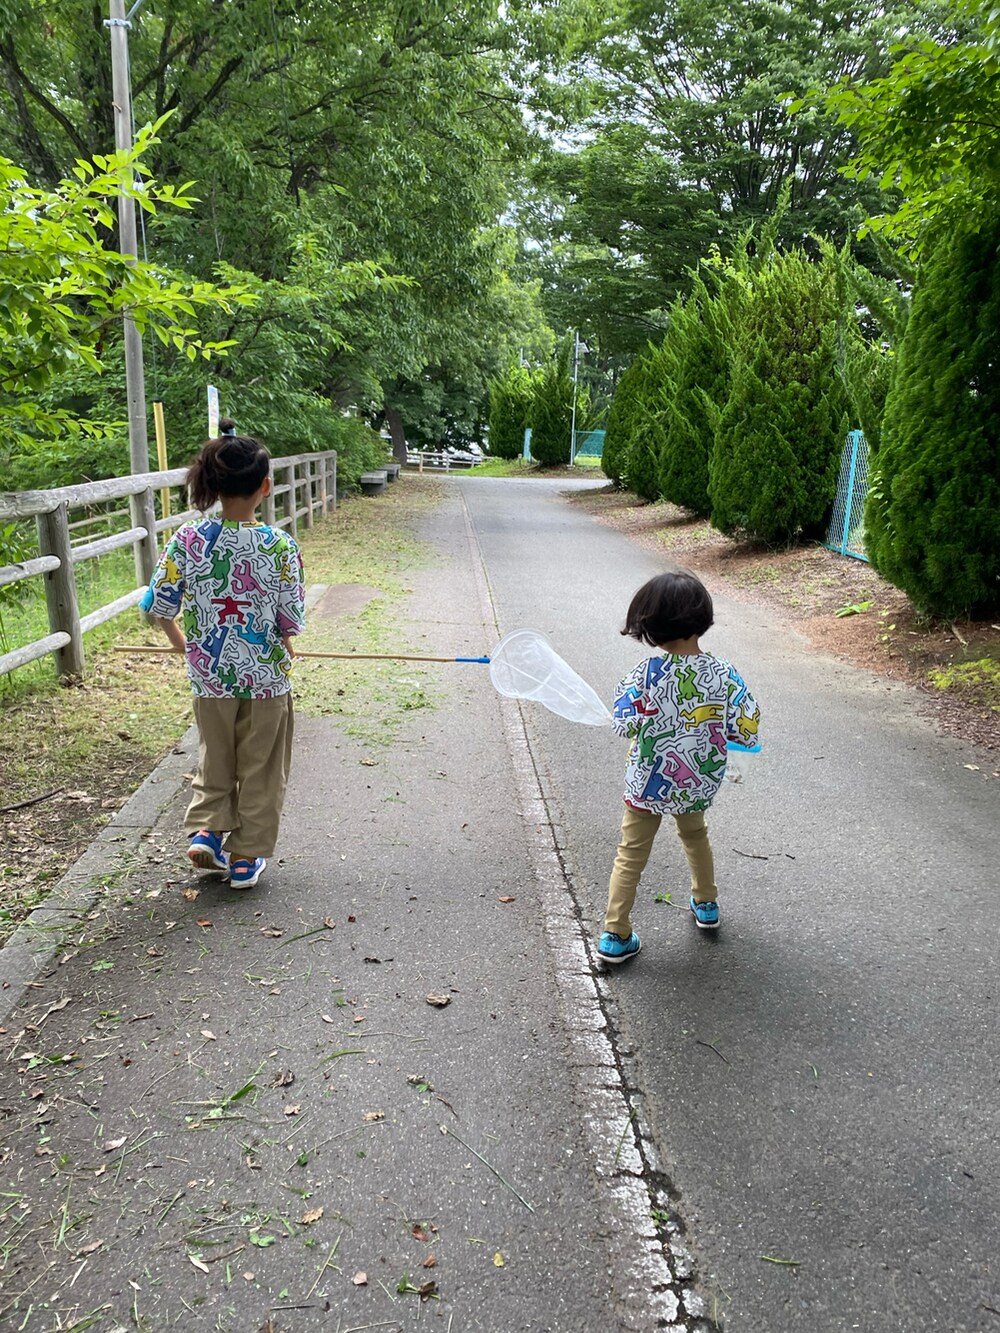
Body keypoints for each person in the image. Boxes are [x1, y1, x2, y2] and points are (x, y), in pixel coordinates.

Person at [140, 425, 305, 888]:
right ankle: (245, 856)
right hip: (266, 678)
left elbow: (159, 604)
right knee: (262, 766)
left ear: (213, 484)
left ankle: (209, 831)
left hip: (209, 675)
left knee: (216, 756)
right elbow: (289, 618)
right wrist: (288, 639)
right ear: (265, 487)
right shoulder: (280, 546)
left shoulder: (188, 540)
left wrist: (180, 641)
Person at [598, 569, 760, 964]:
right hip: (697, 780)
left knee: (631, 852)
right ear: (702, 619)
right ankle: (706, 903)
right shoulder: (723, 673)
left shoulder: (645, 674)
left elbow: (623, 723)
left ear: (650, 626)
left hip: (648, 781)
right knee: (695, 834)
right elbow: (747, 720)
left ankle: (615, 933)